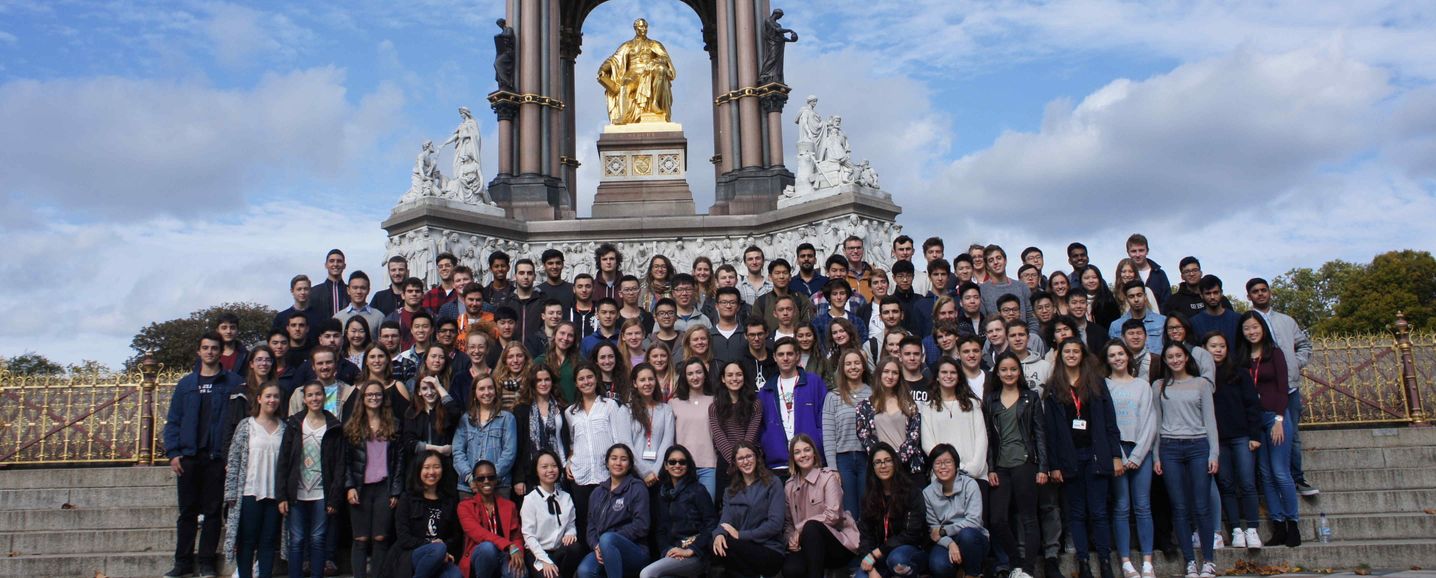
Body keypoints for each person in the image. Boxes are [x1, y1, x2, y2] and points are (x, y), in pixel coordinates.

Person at [163, 333, 242, 578]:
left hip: (216, 458)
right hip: (188, 456)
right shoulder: (186, 384)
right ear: (199, 352)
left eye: (214, 348)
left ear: (221, 352)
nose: (209, 352)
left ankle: (206, 562)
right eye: (205, 348)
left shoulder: (232, 383)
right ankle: (182, 562)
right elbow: (174, 420)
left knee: (211, 512)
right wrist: (173, 453)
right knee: (187, 512)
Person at [1044, 339, 1123, 578]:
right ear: (1060, 356)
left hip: (1097, 454)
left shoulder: (1096, 383)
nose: (1071, 355)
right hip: (1069, 458)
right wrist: (1054, 465)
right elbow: (1051, 432)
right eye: (1066, 351)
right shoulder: (1053, 388)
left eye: (1075, 351)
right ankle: (1084, 562)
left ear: (1082, 354)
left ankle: (1106, 561)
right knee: (1076, 513)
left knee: (1099, 512)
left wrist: (1116, 455)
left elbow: (1110, 422)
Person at [1152, 343, 1220, 578]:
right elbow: (1157, 423)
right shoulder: (1159, 386)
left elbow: (1210, 420)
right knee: (1179, 507)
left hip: (1198, 446)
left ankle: (1209, 560)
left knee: (1201, 506)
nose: (1174, 360)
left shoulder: (1201, 384)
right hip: (1170, 448)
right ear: (1165, 360)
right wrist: (1156, 455)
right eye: (1170, 356)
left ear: (1186, 357)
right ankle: (1190, 560)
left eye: (1178, 355)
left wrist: (1214, 453)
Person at [1235, 312, 1303, 548]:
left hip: (1275, 417)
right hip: (1255, 420)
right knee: (1264, 474)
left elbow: (1283, 387)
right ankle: (1278, 524)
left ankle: (1293, 523)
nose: (1251, 332)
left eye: (1255, 327)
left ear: (1262, 328)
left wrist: (1278, 418)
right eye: (1247, 329)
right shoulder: (1243, 358)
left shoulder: (1274, 353)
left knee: (1280, 471)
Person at [1245, 277, 1316, 496]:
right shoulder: (1248, 322)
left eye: (1263, 290)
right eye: (1255, 291)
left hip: (1288, 388)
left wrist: (1295, 363)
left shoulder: (1286, 321)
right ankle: (1266, 482)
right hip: (1261, 391)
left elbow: (1304, 344)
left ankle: (1297, 478)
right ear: (1249, 296)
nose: (1260, 294)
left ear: (1270, 293)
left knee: (1291, 434)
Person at [982, 352, 1047, 578]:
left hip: (1025, 463)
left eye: (1013, 369)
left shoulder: (1031, 397)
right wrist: (990, 468)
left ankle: (1027, 570)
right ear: (997, 373)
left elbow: (1040, 433)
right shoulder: (990, 400)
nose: (1008, 373)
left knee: (1028, 517)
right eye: (1004, 370)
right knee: (997, 519)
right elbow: (989, 437)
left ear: (1019, 371)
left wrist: (1042, 468)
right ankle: (1016, 563)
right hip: (1000, 466)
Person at [276, 381, 344, 578]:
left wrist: (334, 497)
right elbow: (284, 460)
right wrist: (281, 495)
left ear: (324, 397)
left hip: (322, 492)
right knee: (296, 539)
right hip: (296, 491)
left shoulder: (334, 426)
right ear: (304, 399)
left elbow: (340, 464)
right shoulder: (295, 424)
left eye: (318, 394)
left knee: (318, 538)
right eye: (310, 395)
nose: (315, 398)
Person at [1204, 331, 1264, 552]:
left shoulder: (1239, 374)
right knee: (1226, 485)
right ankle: (1236, 528)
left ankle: (1252, 528)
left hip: (1242, 436)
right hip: (1218, 439)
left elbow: (1252, 405)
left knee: (1247, 483)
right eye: (1213, 346)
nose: (1218, 350)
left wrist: (1255, 435)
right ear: (1205, 349)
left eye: (1222, 346)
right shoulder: (1203, 378)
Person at [1103, 341, 1158, 578]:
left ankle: (1147, 561)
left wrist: (1136, 455)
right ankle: (1125, 561)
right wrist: (1120, 455)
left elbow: (1150, 422)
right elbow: (1105, 423)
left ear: (1128, 356)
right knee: (1122, 506)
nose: (1117, 358)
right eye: (1112, 355)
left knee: (1143, 506)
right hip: (1116, 453)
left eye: (1120, 354)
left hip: (1140, 451)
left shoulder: (1142, 386)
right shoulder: (1104, 386)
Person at [223, 382, 285, 578]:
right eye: (268, 396)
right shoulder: (246, 426)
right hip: (249, 492)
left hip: (274, 494)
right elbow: (233, 460)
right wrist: (231, 492)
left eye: (275, 396)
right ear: (259, 399)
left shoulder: (284, 427)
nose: (272, 400)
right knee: (247, 541)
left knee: (267, 542)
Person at [343, 380, 404, 578]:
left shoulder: (394, 424)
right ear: (363, 398)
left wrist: (396, 489)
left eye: (377, 394)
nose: (374, 398)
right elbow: (346, 461)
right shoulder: (353, 425)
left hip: (384, 488)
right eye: (369, 395)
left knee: (380, 538)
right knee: (360, 539)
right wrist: (349, 486)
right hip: (361, 488)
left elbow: (399, 461)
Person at [781, 434, 859, 578]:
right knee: (791, 570)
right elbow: (788, 522)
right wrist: (790, 538)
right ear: (793, 458)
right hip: (806, 545)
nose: (803, 455)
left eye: (807, 450)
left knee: (811, 526)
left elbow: (833, 515)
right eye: (797, 452)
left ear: (814, 453)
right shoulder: (789, 486)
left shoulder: (828, 478)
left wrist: (800, 528)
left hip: (837, 544)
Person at [565, 364, 626, 537]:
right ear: (576, 384)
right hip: (581, 474)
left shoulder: (610, 406)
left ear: (596, 378)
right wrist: (568, 462)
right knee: (584, 522)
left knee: (608, 520)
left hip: (606, 475)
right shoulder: (570, 412)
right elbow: (571, 443)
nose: (586, 382)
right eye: (581, 379)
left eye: (589, 377)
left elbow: (619, 441)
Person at [640, 445, 718, 578]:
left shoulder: (698, 490)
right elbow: (660, 530)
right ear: (665, 465)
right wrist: (667, 550)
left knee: (647, 574)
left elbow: (711, 524)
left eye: (682, 462)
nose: (677, 465)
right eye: (672, 462)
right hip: (673, 554)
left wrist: (690, 550)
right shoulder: (662, 494)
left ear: (688, 466)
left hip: (696, 554)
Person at [710, 442, 787, 577]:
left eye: (749, 456)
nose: (746, 461)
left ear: (757, 458)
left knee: (729, 552)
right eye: (740, 458)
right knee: (714, 545)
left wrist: (741, 535)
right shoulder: (730, 491)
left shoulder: (773, 483)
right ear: (735, 463)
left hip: (768, 548)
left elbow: (775, 524)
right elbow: (725, 521)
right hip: (740, 550)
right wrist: (719, 534)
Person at [855, 443, 928, 578]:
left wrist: (876, 553)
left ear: (895, 463)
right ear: (872, 468)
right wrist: (870, 568)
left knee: (897, 560)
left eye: (887, 461)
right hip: (879, 556)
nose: (883, 466)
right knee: (861, 576)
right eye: (878, 462)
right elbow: (865, 536)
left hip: (908, 551)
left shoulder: (911, 492)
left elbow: (911, 534)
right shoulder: (868, 497)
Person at [578, 444, 652, 578]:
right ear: (607, 462)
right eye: (614, 458)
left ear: (629, 465)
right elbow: (591, 525)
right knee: (585, 571)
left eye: (623, 459)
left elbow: (642, 525)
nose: (618, 463)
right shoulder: (597, 492)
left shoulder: (637, 488)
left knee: (607, 539)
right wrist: (596, 545)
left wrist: (609, 540)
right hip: (601, 548)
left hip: (634, 550)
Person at [759, 338, 829, 474]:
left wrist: (818, 440)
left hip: (811, 459)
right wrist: (768, 444)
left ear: (797, 356)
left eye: (790, 354)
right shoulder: (766, 390)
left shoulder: (814, 382)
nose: (785, 358)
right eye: (780, 354)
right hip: (779, 463)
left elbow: (824, 417)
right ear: (774, 357)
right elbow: (762, 426)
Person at [392, 450, 463, 578]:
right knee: (438, 549)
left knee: (455, 575)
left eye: (436, 467)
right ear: (418, 470)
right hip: (412, 555)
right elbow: (403, 538)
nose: (431, 472)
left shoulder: (449, 499)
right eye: (426, 467)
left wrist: (443, 550)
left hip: (442, 555)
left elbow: (456, 535)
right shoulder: (407, 498)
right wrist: (432, 546)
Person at [922, 444, 989, 578]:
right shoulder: (927, 493)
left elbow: (973, 522)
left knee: (967, 535)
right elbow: (934, 531)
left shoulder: (970, 484)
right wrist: (950, 543)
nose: (943, 467)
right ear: (932, 468)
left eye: (948, 462)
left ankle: (973, 574)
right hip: (945, 540)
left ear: (956, 465)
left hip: (973, 537)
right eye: (938, 463)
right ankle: (959, 571)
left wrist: (944, 530)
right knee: (938, 565)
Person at [821, 349, 873, 520]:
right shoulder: (833, 396)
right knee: (849, 510)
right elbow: (828, 434)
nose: (853, 367)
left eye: (857, 363)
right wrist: (833, 467)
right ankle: (852, 544)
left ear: (864, 367)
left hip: (867, 458)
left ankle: (868, 545)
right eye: (848, 364)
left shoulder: (873, 394)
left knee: (868, 506)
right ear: (842, 368)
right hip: (843, 460)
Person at [922, 358, 988, 487]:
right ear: (937, 377)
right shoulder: (928, 407)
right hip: (942, 477)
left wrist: (971, 469)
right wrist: (949, 467)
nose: (948, 376)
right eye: (944, 372)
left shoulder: (972, 404)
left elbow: (981, 439)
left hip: (975, 476)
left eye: (953, 372)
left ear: (959, 377)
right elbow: (928, 444)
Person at [521, 450, 586, 578]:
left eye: (554, 466)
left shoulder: (565, 497)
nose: (550, 470)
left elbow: (571, 525)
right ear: (536, 471)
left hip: (559, 552)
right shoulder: (530, 500)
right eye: (544, 467)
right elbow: (528, 535)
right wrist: (545, 561)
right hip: (537, 554)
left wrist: (570, 534)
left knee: (575, 548)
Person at [858, 356, 924, 477]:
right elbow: (865, 437)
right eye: (886, 371)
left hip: (909, 467)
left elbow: (914, 435)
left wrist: (896, 460)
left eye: (895, 373)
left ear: (899, 377)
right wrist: (885, 461)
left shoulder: (909, 403)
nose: (890, 376)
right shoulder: (864, 407)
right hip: (881, 470)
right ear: (879, 374)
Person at [459, 460, 526, 578]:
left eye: (491, 477)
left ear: (496, 480)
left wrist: (517, 552)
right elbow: (478, 533)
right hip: (480, 556)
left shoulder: (509, 506)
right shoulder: (465, 506)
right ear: (474, 482)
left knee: (518, 574)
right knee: (488, 548)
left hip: (505, 554)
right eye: (481, 478)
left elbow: (516, 536)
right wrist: (508, 545)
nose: (486, 481)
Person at [455, 375, 519, 498]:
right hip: (469, 487)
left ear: (495, 391)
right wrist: (470, 478)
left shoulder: (507, 418)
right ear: (475, 393)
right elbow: (458, 451)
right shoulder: (465, 419)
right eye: (482, 389)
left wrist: (489, 477)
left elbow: (509, 453)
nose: (487, 392)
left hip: (499, 485)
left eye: (490, 388)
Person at [709, 361, 763, 506]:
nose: (734, 378)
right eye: (730, 375)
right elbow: (719, 436)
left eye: (739, 374)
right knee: (727, 505)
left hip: (751, 461)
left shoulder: (755, 404)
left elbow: (751, 435)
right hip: (727, 464)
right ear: (723, 379)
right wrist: (736, 462)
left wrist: (744, 459)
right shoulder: (714, 407)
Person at [512, 365, 570, 498]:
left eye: (547, 379)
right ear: (532, 383)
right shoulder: (522, 410)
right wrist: (518, 478)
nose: (543, 384)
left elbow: (567, 440)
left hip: (559, 471)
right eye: (539, 380)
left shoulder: (561, 408)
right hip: (531, 474)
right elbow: (519, 446)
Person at [624, 363, 676, 489]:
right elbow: (626, 443)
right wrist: (644, 472)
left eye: (651, 379)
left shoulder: (666, 410)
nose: (647, 383)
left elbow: (667, 442)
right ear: (635, 384)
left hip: (659, 474)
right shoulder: (626, 410)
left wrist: (655, 471)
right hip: (634, 474)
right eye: (642, 380)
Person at [672, 358, 718, 497]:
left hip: (708, 464)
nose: (695, 377)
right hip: (681, 465)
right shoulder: (674, 403)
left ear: (705, 375)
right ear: (685, 377)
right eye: (690, 374)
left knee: (707, 509)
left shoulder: (715, 401)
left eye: (698, 372)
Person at [402, 373, 462, 475]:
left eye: (433, 388)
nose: (429, 392)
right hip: (419, 468)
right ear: (419, 392)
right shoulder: (412, 412)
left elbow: (456, 412)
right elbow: (410, 443)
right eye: (424, 388)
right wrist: (440, 449)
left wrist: (439, 387)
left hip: (444, 468)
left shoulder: (446, 410)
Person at [1109, 281, 1164, 354]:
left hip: (1156, 364)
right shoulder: (1116, 326)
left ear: (1145, 296)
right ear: (1127, 299)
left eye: (1139, 295)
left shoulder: (1162, 321)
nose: (1136, 300)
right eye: (1131, 296)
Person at [536, 321, 581, 404]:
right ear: (554, 335)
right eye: (562, 333)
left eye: (570, 335)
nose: (565, 338)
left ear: (574, 339)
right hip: (549, 411)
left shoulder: (580, 361)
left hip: (573, 411)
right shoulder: (540, 360)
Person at [1190, 275, 1240, 348]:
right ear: (1201, 295)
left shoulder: (1237, 319)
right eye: (1208, 293)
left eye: (1215, 292)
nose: (1212, 297)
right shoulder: (1194, 323)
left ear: (1221, 293)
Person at [1124, 234, 1172, 308]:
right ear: (1128, 253)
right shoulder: (1124, 275)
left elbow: (1167, 302)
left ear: (1147, 251)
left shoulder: (1159, 274)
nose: (1137, 254)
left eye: (1141, 250)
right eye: (1133, 251)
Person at [313, 250, 351, 318]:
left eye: (339, 261)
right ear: (326, 265)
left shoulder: (351, 291)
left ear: (344, 266)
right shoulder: (314, 292)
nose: (335, 264)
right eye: (331, 261)